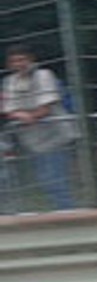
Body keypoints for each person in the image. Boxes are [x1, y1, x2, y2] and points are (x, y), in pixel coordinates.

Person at [3, 46, 77, 211]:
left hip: (55, 136)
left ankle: (67, 213)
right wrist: (21, 116)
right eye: (14, 61)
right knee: (46, 180)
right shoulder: (10, 81)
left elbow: (46, 107)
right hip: (33, 140)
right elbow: (8, 108)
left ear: (31, 60)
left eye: (22, 59)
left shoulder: (44, 75)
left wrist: (29, 116)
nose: (18, 64)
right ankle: (64, 211)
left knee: (55, 180)